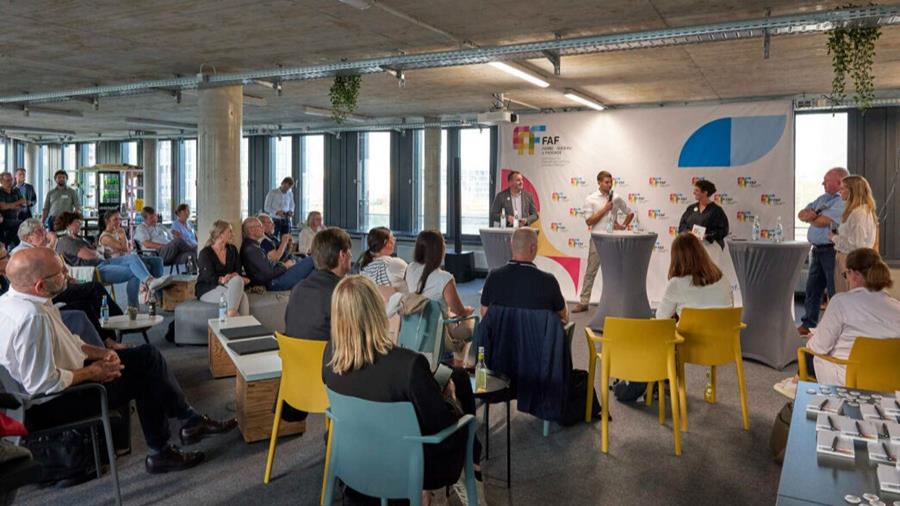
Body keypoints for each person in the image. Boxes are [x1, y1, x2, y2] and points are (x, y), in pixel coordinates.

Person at [0, 248, 238, 474]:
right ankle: (167, 445)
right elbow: (41, 384)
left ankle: (185, 426)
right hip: (51, 404)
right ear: (40, 285)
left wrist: (101, 353)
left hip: (58, 383)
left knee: (147, 356)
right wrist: (93, 372)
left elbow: (70, 343)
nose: (67, 273)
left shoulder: (17, 301)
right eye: (60, 272)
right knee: (146, 374)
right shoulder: (33, 317)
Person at [322, 275, 485, 506]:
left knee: (445, 380)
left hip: (354, 459)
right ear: (377, 311)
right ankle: (463, 477)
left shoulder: (330, 356)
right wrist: (449, 399)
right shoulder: (408, 365)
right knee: (460, 416)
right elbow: (441, 426)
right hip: (410, 466)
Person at [794, 248, 900, 389]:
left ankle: (795, 386)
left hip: (849, 380)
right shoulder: (897, 307)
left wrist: (813, 338)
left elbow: (818, 347)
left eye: (846, 275)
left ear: (855, 274)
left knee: (808, 354)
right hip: (890, 382)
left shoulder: (840, 302)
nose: (847, 280)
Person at [12, 218, 123, 343]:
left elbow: (59, 269)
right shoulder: (22, 253)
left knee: (90, 298)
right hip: (46, 297)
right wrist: (52, 243)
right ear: (27, 237)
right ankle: (117, 325)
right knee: (93, 289)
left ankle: (109, 336)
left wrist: (66, 277)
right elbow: (44, 273)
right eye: (39, 231)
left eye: (43, 229)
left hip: (53, 291)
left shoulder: (35, 249)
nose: (44, 233)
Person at [55, 212, 170, 307]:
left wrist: (99, 251)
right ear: (68, 225)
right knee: (135, 271)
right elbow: (90, 255)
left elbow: (99, 251)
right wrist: (98, 251)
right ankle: (134, 305)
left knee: (135, 258)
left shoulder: (77, 239)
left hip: (104, 261)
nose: (80, 224)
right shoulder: (66, 241)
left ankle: (149, 282)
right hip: (95, 269)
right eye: (77, 222)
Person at [572, 170, 634, 313]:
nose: (609, 184)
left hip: (613, 241)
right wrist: (605, 209)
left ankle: (616, 302)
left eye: (611, 182)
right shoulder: (591, 199)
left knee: (615, 273)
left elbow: (630, 213)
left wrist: (623, 226)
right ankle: (584, 302)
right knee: (591, 271)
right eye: (606, 182)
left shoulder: (616, 198)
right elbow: (589, 221)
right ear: (599, 182)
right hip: (597, 240)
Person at [797, 167, 848, 336]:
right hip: (817, 251)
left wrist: (812, 217)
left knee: (834, 290)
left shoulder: (842, 201)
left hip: (831, 251)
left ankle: (836, 328)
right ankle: (808, 323)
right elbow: (801, 214)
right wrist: (812, 216)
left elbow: (822, 221)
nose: (822, 183)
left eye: (826, 180)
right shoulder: (822, 199)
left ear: (839, 182)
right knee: (812, 289)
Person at [480, 228, 567, 322]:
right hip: (537, 331)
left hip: (500, 331)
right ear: (533, 248)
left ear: (511, 245)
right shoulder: (549, 281)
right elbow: (562, 315)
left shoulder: (493, 277)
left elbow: (484, 312)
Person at [284, 227, 353, 341]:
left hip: (293, 351)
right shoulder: (344, 293)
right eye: (349, 251)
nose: (351, 255)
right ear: (342, 255)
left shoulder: (298, 287)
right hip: (325, 352)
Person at [655, 233, 733, 319]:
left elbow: (661, 317)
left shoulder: (676, 284)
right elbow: (731, 311)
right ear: (702, 252)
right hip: (722, 328)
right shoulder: (722, 279)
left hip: (691, 328)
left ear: (676, 259)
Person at [830, 175, 878, 294]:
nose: (839, 192)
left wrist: (834, 238)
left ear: (852, 191)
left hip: (850, 259)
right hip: (851, 259)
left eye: (842, 188)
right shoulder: (862, 211)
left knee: (848, 295)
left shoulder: (858, 214)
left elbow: (857, 245)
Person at [240, 217, 314, 291]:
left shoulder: (253, 245)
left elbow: (268, 267)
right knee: (312, 259)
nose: (262, 228)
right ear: (251, 230)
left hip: (277, 276)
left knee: (310, 264)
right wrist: (285, 266)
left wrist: (283, 264)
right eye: (260, 226)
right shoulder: (251, 249)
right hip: (274, 282)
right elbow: (268, 274)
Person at [197, 220, 249, 317]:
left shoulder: (232, 249)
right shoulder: (205, 253)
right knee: (242, 297)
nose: (233, 234)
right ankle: (235, 319)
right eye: (230, 231)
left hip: (228, 284)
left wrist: (232, 275)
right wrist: (221, 279)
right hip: (208, 287)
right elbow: (207, 276)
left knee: (238, 280)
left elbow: (238, 270)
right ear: (220, 235)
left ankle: (231, 317)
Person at [99, 209, 164, 278]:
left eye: (119, 219)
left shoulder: (117, 232)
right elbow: (125, 249)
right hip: (115, 261)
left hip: (126, 258)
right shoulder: (105, 237)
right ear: (108, 221)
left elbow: (127, 247)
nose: (119, 222)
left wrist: (124, 240)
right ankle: (149, 281)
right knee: (142, 265)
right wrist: (123, 235)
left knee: (157, 260)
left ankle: (158, 283)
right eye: (115, 219)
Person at [677, 179, 729, 264]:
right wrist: (688, 232)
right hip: (691, 246)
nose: (694, 193)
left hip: (710, 248)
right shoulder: (691, 208)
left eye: (697, 190)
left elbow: (723, 230)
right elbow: (682, 225)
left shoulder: (716, 210)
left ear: (705, 192)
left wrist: (708, 236)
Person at [358, 226, 407, 292]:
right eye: (393, 238)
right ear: (386, 242)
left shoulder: (363, 268)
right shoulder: (393, 263)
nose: (395, 239)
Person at [0, 172, 26, 247]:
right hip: (3, 220)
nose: (10, 182)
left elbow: (23, 202)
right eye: (7, 180)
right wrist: (16, 204)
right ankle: (5, 244)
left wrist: (9, 205)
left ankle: (6, 244)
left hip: (14, 219)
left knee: (18, 241)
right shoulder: (0, 191)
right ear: (1, 181)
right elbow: (3, 206)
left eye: (11, 180)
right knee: (22, 224)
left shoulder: (16, 190)